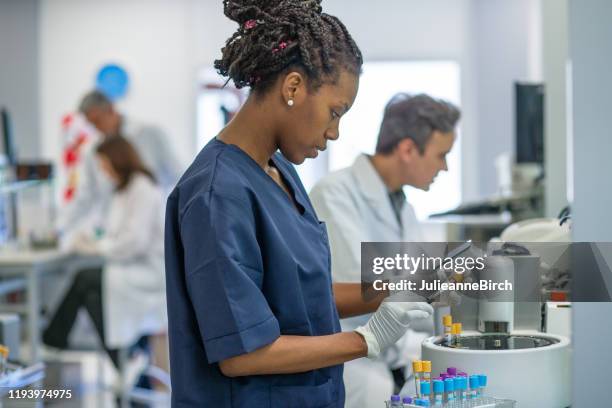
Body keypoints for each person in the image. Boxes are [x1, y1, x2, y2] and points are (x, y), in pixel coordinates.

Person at [164, 1, 433, 407]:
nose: (335, 132)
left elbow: (303, 297)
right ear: (292, 87)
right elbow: (243, 354)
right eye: (334, 112)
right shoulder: (217, 193)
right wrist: (367, 339)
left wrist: (394, 289)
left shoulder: (278, 170)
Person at [309, 93, 461, 407]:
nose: (444, 167)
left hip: (394, 363)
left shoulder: (404, 207)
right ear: (407, 149)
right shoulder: (335, 194)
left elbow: (417, 298)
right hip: (355, 368)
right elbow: (366, 288)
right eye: (441, 154)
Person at [44, 136, 167, 378]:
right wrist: (91, 239)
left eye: (104, 164)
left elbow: (134, 241)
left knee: (84, 279)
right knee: (90, 294)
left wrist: (96, 248)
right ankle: (125, 358)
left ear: (117, 159)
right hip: (127, 268)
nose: (103, 171)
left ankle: (51, 340)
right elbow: (111, 230)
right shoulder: (121, 190)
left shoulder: (142, 187)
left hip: (147, 273)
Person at [58, 90, 183, 238]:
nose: (96, 128)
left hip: (152, 230)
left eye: (98, 121)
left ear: (111, 109)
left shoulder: (149, 134)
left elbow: (179, 177)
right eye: (91, 124)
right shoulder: (92, 150)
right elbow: (85, 195)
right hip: (113, 233)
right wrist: (59, 228)